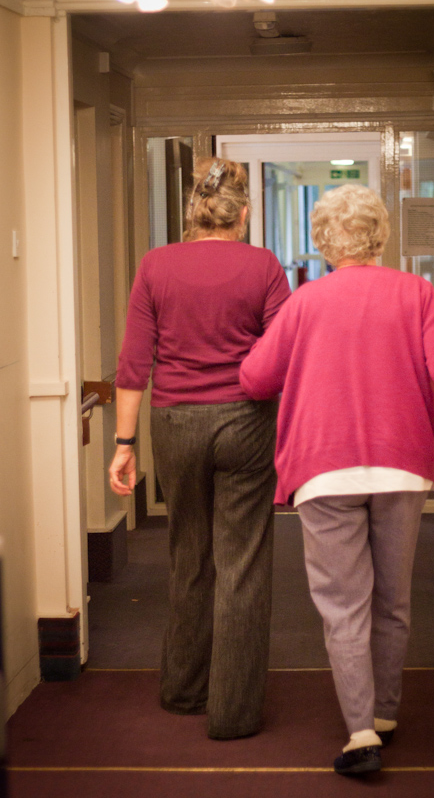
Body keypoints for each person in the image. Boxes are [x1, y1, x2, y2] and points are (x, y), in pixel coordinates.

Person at [239, 184, 434, 775]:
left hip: (323, 469)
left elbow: (255, 379)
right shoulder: (418, 294)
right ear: (381, 235)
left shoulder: (305, 303)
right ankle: (384, 711)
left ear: (324, 242)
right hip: (402, 465)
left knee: (342, 604)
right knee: (393, 600)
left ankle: (361, 734)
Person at [109, 157, 291, 740]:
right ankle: (233, 712)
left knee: (188, 553)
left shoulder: (156, 265)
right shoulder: (264, 267)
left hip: (174, 424)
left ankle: (183, 690)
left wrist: (123, 443)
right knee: (241, 564)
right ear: (241, 213)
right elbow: (284, 357)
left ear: (194, 211)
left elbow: (135, 364)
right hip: (245, 421)